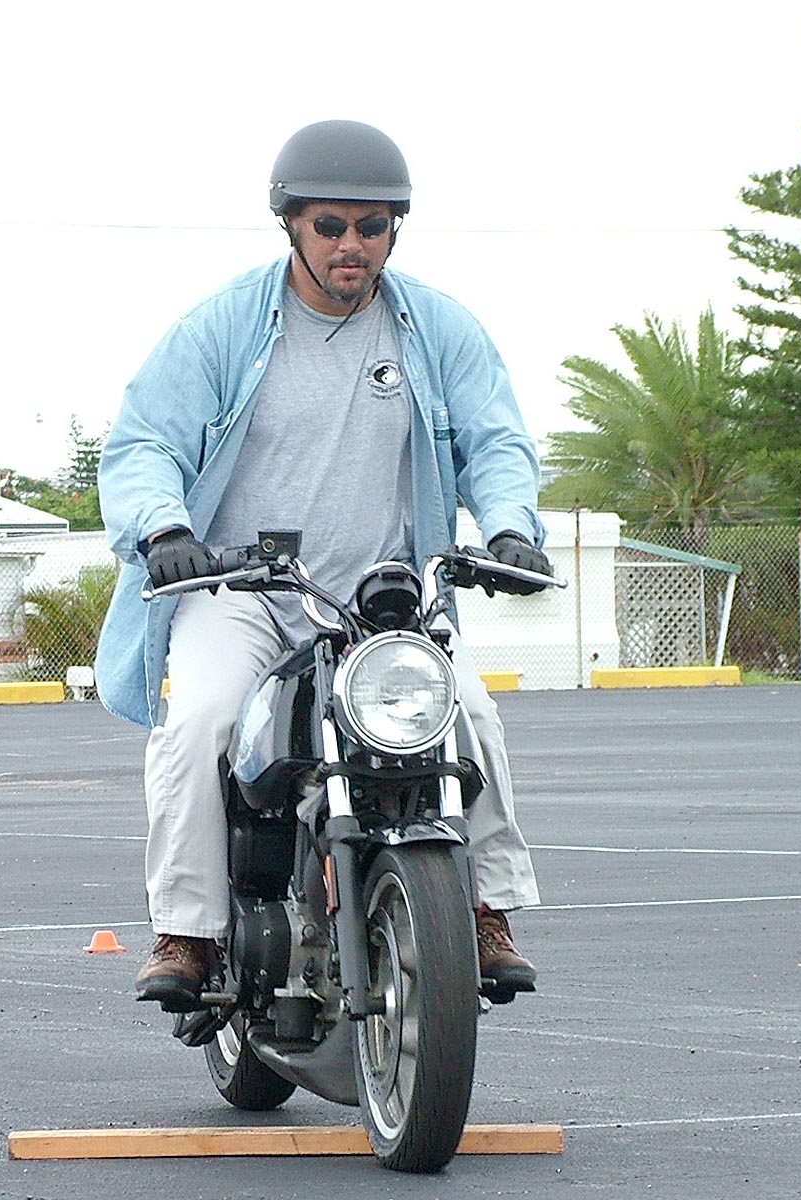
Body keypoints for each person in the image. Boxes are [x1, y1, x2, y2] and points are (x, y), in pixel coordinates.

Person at [95, 119, 553, 1012]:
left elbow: (497, 441)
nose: (352, 245)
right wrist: (164, 530)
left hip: (384, 601)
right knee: (200, 721)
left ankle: (485, 912)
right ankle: (187, 929)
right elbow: (146, 443)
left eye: (372, 227)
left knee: (472, 718)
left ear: (394, 232)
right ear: (291, 225)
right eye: (331, 225)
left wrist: (508, 527)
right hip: (243, 591)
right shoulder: (224, 327)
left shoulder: (437, 329)